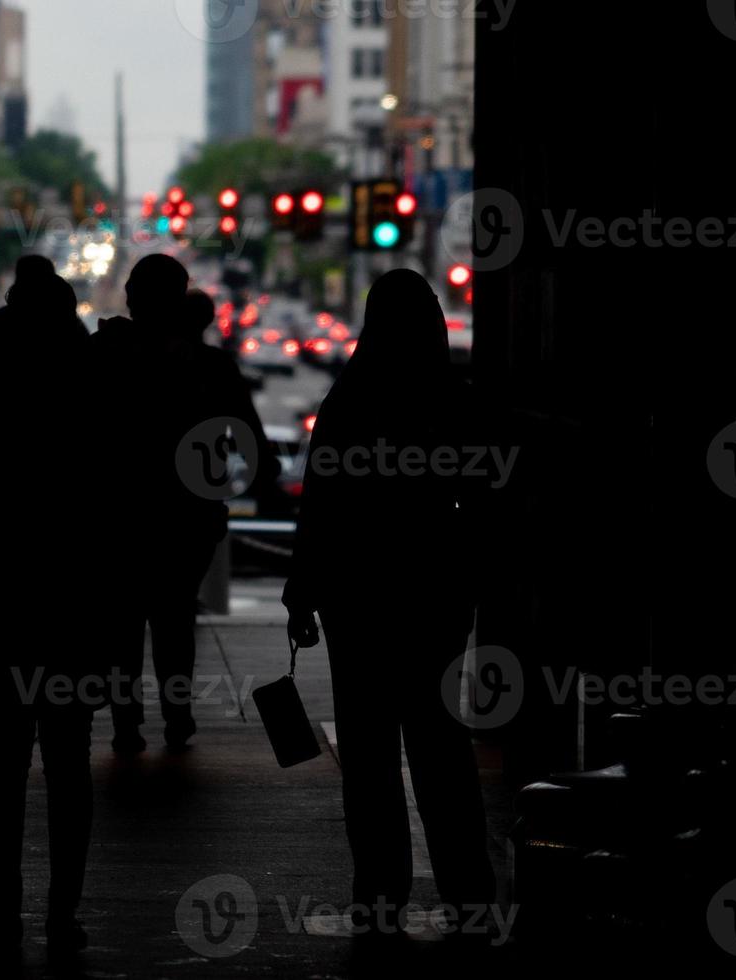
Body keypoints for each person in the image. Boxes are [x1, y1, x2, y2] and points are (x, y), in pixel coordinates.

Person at [283, 269, 496, 939]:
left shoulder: (350, 400)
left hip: (361, 600)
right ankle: (470, 894)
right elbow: (484, 499)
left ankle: (379, 891)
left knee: (370, 755)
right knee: (440, 747)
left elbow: (321, 505)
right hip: (433, 596)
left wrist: (304, 590)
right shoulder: (452, 401)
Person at [0, 257, 98, 954]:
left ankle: (6, 912)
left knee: (1, 764)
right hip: (71, 591)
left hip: (0, 587)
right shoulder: (85, 359)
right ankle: (64, 915)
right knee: (70, 763)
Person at [89, 259, 275, 753]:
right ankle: (178, 716)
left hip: (118, 515)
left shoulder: (103, 356)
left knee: (123, 622)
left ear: (133, 299)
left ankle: (127, 724)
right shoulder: (211, 367)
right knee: (174, 619)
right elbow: (252, 444)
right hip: (188, 516)